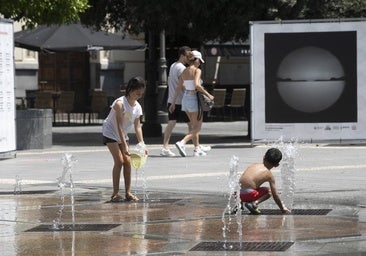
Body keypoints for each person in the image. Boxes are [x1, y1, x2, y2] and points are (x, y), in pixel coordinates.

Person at [102, 77, 147, 202]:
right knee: (119, 161)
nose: (139, 96)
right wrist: (125, 146)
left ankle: (128, 192)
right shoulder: (119, 103)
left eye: (141, 94)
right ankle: (115, 193)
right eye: (137, 93)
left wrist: (142, 144)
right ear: (130, 90)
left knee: (127, 161)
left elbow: (138, 127)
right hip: (110, 131)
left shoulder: (137, 107)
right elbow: (119, 125)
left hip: (122, 134)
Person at [169, 50, 214, 157]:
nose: (200, 63)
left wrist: (173, 102)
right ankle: (182, 142)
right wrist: (208, 95)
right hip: (194, 99)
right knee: (197, 128)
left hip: (185, 99)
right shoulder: (197, 71)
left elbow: (178, 88)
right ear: (196, 60)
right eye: (200, 61)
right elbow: (197, 85)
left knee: (194, 126)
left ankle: (197, 149)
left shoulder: (184, 71)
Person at [239, 148, 291, 214]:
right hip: (248, 195)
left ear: (263, 157)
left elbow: (243, 180)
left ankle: (239, 205)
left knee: (248, 185)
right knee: (269, 191)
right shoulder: (269, 175)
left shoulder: (253, 165)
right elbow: (275, 195)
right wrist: (282, 208)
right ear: (276, 165)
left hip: (237, 194)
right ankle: (254, 204)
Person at [160, 46, 191, 157]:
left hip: (172, 99)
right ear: (182, 56)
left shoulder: (173, 66)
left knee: (171, 123)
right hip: (181, 101)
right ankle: (188, 145)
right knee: (192, 125)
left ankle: (165, 147)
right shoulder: (182, 68)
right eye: (188, 56)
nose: (189, 58)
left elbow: (170, 82)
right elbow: (182, 85)